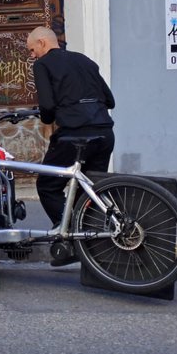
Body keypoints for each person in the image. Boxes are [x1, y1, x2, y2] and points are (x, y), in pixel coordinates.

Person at [26, 25, 115, 266]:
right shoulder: (85, 60)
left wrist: (48, 118)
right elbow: (110, 100)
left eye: (32, 49)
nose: (32, 55)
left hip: (74, 136)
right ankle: (90, 246)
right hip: (104, 133)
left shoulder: (42, 65)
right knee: (89, 192)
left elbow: (46, 106)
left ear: (43, 43)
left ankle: (67, 239)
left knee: (48, 184)